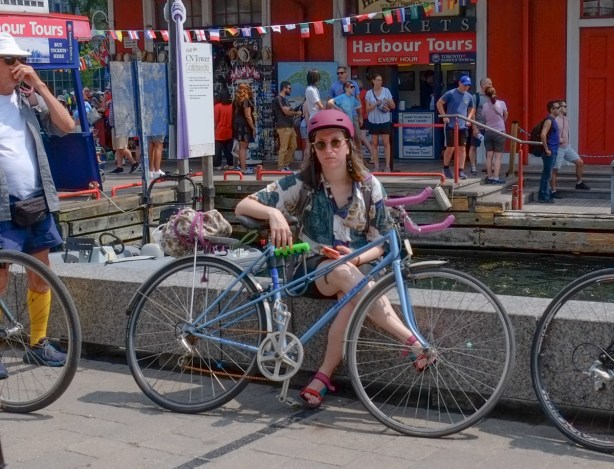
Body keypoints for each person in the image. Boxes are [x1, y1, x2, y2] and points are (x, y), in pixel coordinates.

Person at [234, 109, 432, 408]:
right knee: (342, 276)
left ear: (348, 144)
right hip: (312, 270)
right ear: (312, 149)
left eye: (336, 142)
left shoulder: (369, 186)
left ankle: (323, 375)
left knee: (348, 294)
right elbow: (242, 206)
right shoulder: (302, 184)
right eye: (320, 144)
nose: (329, 150)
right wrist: (274, 212)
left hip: (357, 270)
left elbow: (383, 242)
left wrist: (355, 258)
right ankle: (412, 342)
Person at [0, 33, 75, 379]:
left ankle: (38, 342)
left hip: (35, 199)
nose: (18, 67)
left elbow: (67, 125)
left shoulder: (27, 99)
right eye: (10, 61)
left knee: (41, 274)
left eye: (19, 60)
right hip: (2, 205)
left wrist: (41, 86)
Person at [436, 75, 475, 180]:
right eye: (464, 85)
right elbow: (439, 103)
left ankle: (460, 170)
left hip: (463, 125)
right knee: (450, 147)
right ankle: (446, 168)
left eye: (468, 86)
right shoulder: (451, 93)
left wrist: (468, 118)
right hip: (451, 124)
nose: (466, 87)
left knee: (462, 148)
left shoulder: (469, 96)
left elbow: (471, 108)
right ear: (459, 83)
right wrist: (444, 116)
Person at [550, 99, 590, 197]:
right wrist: (558, 139)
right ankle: (553, 191)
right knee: (555, 169)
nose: (566, 108)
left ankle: (579, 183)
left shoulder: (566, 119)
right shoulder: (554, 120)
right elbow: (549, 133)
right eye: (564, 106)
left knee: (580, 162)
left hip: (567, 147)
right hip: (558, 148)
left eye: (566, 106)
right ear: (559, 108)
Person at [365, 73, 395, 172]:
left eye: (381, 80)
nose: (379, 82)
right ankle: (376, 166)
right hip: (373, 120)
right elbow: (367, 109)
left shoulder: (386, 91)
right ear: (373, 81)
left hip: (384, 120)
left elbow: (393, 106)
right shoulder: (369, 93)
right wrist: (375, 104)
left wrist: (388, 101)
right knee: (374, 143)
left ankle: (387, 166)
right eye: (377, 80)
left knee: (386, 142)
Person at [481, 86, 508, 184]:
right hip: (499, 131)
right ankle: (496, 177)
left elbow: (484, 116)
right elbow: (505, 115)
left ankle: (490, 176)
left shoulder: (484, 105)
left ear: (486, 95)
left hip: (488, 131)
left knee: (489, 156)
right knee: (498, 156)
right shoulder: (502, 103)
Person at [273, 81, 301, 171]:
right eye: (289, 88)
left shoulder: (285, 99)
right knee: (283, 148)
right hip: (283, 126)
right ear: (284, 88)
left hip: (290, 126)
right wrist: (296, 113)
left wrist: (293, 111)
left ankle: (285, 164)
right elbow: (286, 111)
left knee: (293, 146)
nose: (290, 90)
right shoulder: (279, 98)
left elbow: (289, 110)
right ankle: (280, 167)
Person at [327, 80, 362, 150]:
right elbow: (330, 102)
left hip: (350, 123)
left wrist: (353, 109)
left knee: (352, 139)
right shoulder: (342, 97)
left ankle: (356, 157)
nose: (353, 89)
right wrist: (339, 110)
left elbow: (359, 105)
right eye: (351, 87)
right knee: (344, 140)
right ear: (346, 88)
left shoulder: (352, 99)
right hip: (342, 123)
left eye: (353, 87)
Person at [468, 77, 492, 176]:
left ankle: (489, 166)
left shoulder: (491, 97)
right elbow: (471, 112)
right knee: (473, 146)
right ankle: (473, 166)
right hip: (478, 126)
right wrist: (474, 127)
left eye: (491, 84)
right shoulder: (475, 97)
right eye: (489, 84)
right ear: (482, 85)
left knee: (489, 148)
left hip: (489, 127)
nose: (491, 86)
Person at [537, 101, 561, 204]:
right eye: (557, 107)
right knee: (546, 174)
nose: (559, 109)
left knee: (548, 174)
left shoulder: (553, 120)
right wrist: (546, 149)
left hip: (553, 150)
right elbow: (543, 134)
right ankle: (543, 196)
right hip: (549, 152)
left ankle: (545, 195)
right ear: (552, 109)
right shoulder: (549, 120)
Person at [108, 96, 139, 174]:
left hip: (121, 126)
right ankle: (119, 166)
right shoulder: (111, 101)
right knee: (118, 148)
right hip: (114, 126)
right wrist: (105, 98)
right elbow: (104, 107)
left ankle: (134, 163)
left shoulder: (122, 101)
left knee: (122, 147)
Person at [232, 82, 256, 175]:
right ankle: (243, 169)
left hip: (238, 124)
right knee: (243, 148)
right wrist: (253, 128)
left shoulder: (237, 100)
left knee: (241, 147)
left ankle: (241, 166)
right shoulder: (246, 100)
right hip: (244, 125)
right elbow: (248, 116)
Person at [304, 69, 324, 157]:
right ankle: (307, 165)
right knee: (311, 144)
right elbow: (319, 105)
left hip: (317, 117)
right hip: (315, 118)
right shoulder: (310, 90)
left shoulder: (314, 89)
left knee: (315, 143)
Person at [213, 89, 234, 171]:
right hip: (229, 130)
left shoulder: (217, 107)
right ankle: (230, 163)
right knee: (229, 149)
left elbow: (215, 120)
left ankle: (217, 164)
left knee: (218, 149)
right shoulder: (231, 106)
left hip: (219, 130)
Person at [356, 78, 374, 163]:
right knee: (360, 138)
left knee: (362, 137)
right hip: (362, 117)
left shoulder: (363, 93)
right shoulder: (364, 92)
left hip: (363, 117)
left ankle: (373, 155)